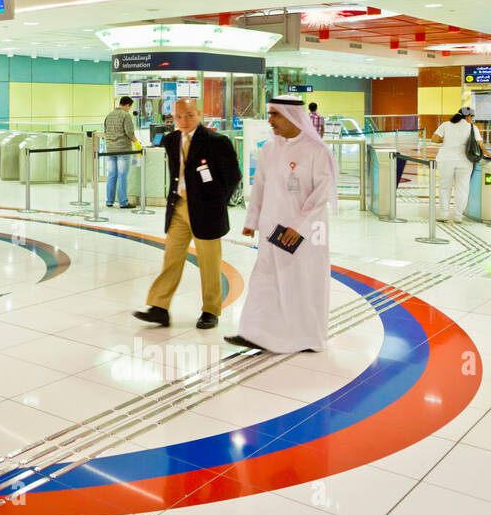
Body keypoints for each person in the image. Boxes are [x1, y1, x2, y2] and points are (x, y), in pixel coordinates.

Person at [227, 95, 338, 353]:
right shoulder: (269, 148)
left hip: (306, 233)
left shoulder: (316, 151)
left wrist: (298, 226)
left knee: (303, 283)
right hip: (271, 229)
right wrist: (252, 220)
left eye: (275, 114)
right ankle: (254, 333)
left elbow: (321, 194)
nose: (270, 120)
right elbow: (260, 186)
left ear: (291, 115)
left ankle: (309, 338)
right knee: (264, 280)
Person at [134, 97, 241, 330]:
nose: (183, 120)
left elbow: (232, 177)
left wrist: (216, 202)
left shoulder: (216, 141)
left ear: (199, 114)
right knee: (171, 257)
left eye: (189, 115)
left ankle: (211, 310)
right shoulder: (171, 140)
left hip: (207, 210)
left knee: (209, 263)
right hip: (179, 208)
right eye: (179, 116)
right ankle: (159, 307)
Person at [430, 107, 491, 223]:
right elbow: (480, 145)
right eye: (471, 117)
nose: (471, 120)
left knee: (444, 187)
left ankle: (444, 214)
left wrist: (446, 141)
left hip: (446, 159)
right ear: (468, 117)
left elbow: (434, 139)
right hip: (464, 161)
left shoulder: (446, 125)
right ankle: (458, 216)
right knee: (462, 188)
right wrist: (488, 153)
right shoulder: (472, 128)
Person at [103, 96, 137, 208]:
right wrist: (137, 143)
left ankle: (109, 201)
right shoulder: (126, 115)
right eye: (129, 107)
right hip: (123, 150)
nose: (129, 109)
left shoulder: (110, 115)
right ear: (127, 105)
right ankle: (123, 202)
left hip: (110, 150)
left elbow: (105, 131)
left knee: (112, 175)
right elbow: (130, 133)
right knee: (122, 176)